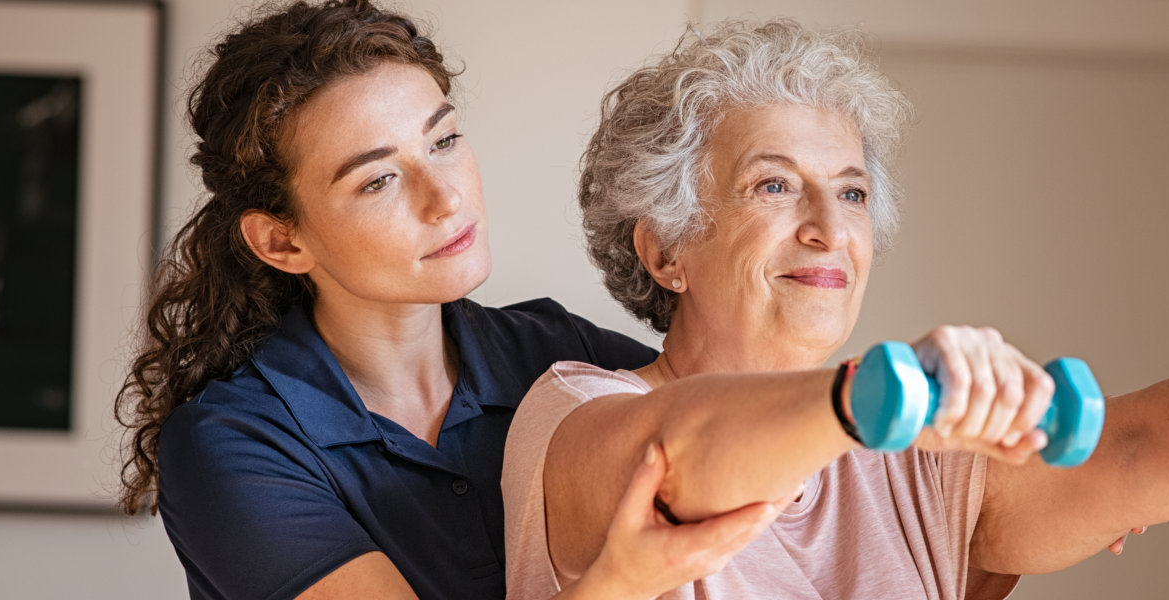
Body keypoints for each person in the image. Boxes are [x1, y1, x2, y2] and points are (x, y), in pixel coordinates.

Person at [503, 20, 1169, 599]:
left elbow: (1137, 449)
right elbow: (680, 457)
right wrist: (877, 399)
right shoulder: (575, 412)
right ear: (663, 247)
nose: (826, 228)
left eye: (848, 193)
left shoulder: (911, 456)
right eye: (772, 187)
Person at [113, 2, 781, 598]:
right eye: (378, 181)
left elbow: (730, 437)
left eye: (445, 141)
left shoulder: (561, 356)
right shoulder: (234, 442)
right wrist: (620, 585)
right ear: (282, 242)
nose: (447, 197)